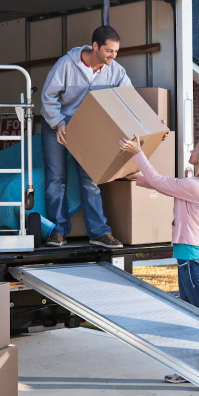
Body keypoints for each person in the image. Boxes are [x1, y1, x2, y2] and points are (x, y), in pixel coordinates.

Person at [119, 136, 199, 384]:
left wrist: (138, 153)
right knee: (190, 317)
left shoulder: (197, 185)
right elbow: (159, 184)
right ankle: (191, 371)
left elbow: (160, 181)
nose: (191, 150)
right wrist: (133, 177)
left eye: (196, 149)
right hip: (189, 257)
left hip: (191, 258)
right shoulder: (198, 184)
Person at [40, 25, 131, 248]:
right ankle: (57, 231)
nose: (113, 56)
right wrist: (58, 123)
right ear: (96, 46)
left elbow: (128, 100)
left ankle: (99, 232)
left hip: (89, 129)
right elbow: (47, 97)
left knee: (90, 180)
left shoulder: (116, 71)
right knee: (56, 178)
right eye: (109, 51)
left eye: (116, 51)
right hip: (57, 125)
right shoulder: (66, 65)